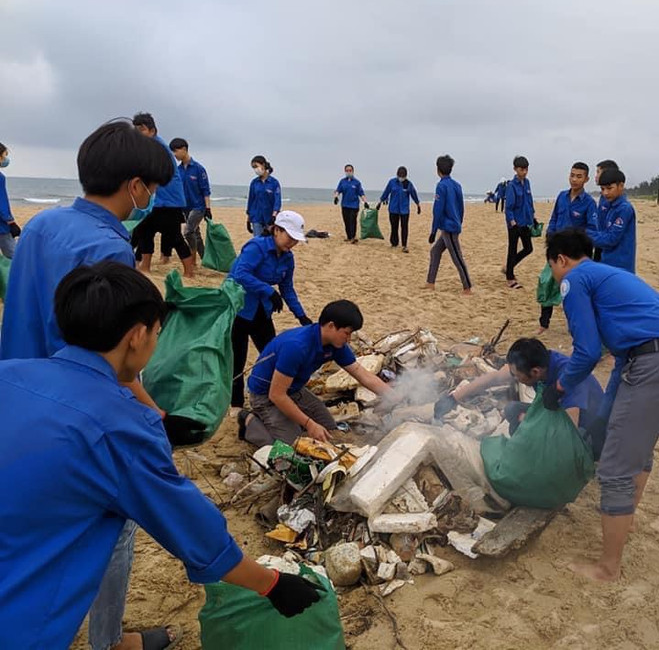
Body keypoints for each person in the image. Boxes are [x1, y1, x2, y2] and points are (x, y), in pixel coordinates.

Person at [0, 263, 324, 649]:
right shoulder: (122, 427)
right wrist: (271, 584)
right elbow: (190, 527)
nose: (156, 343)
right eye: (157, 333)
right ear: (137, 336)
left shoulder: (10, 372)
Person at [0, 119, 184, 650]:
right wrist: (153, 412)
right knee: (113, 525)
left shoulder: (40, 226)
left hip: (17, 394)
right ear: (135, 186)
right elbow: (107, 357)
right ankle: (109, 641)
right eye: (150, 186)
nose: (150, 196)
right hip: (74, 409)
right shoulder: (111, 249)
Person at [545, 228, 659, 582]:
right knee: (637, 444)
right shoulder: (609, 274)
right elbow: (621, 357)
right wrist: (605, 413)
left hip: (656, 367)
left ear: (560, 260)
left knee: (615, 467)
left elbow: (586, 352)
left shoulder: (573, 280)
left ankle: (607, 569)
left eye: (552, 268)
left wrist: (559, 384)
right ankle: (624, 521)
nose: (555, 277)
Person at [240, 300, 393, 447]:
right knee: (291, 447)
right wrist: (309, 424)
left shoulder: (334, 345)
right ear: (331, 326)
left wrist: (396, 396)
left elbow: (362, 374)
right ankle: (249, 421)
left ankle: (287, 421)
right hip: (265, 396)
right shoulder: (296, 347)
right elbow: (276, 395)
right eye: (346, 333)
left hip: (294, 390)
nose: (349, 339)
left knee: (329, 428)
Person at [434, 337, 606, 459]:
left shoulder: (568, 378)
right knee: (513, 410)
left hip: (588, 434)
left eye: (516, 375)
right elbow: (493, 378)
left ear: (535, 372)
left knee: (534, 430)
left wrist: (533, 428)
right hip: (557, 418)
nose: (513, 378)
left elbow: (569, 433)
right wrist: (453, 399)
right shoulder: (542, 361)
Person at [228, 210, 312, 411]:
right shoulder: (256, 247)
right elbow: (240, 273)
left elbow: (287, 288)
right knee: (237, 358)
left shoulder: (288, 258)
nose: (292, 243)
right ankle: (236, 404)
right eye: (289, 237)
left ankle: (271, 393)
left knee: (271, 352)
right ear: (276, 230)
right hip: (238, 307)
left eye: (296, 239)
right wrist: (268, 291)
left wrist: (301, 315)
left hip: (262, 311)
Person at [131, 112, 195, 277]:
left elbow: (153, 173)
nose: (138, 133)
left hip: (169, 202)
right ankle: (145, 267)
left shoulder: (160, 149)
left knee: (174, 237)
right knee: (145, 232)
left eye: (142, 130)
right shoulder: (144, 148)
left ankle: (189, 272)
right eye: (136, 130)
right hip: (153, 200)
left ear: (152, 131)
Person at [538, 161, 597, 332]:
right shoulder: (561, 197)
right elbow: (554, 218)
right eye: (572, 175)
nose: (574, 179)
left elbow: (592, 230)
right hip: (556, 249)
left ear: (586, 179)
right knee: (546, 283)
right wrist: (550, 235)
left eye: (579, 176)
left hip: (574, 255)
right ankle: (543, 323)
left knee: (574, 289)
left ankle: (576, 325)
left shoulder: (589, 203)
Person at [425, 154, 473, 295]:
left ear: (438, 170)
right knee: (435, 251)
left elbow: (437, 210)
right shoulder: (457, 185)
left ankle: (467, 287)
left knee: (457, 257)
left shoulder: (441, 186)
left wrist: (433, 231)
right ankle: (430, 282)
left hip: (449, 227)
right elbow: (461, 207)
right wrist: (459, 221)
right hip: (453, 225)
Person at [587, 168, 636, 273]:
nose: (605, 193)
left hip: (620, 266)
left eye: (609, 188)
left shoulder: (624, 208)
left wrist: (585, 234)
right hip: (606, 261)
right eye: (602, 189)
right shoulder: (610, 205)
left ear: (621, 186)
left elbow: (611, 239)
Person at [170, 137, 212, 260]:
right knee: (196, 234)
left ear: (184, 149)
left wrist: (208, 209)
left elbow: (206, 190)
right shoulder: (177, 170)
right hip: (184, 207)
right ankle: (204, 258)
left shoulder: (199, 169)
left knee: (188, 232)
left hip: (198, 207)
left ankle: (192, 257)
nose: (174, 154)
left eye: (176, 151)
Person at [503, 156, 535, 288]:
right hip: (515, 224)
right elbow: (508, 207)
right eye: (522, 169)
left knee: (528, 248)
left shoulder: (527, 183)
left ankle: (508, 267)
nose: (524, 172)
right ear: (515, 169)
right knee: (512, 249)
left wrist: (533, 217)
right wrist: (512, 222)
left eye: (526, 169)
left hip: (526, 221)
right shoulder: (511, 186)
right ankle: (510, 277)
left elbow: (529, 201)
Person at [378, 166, 420, 252]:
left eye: (403, 176)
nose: (401, 178)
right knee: (394, 226)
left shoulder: (408, 184)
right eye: (400, 175)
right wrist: (380, 202)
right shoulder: (392, 182)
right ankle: (394, 243)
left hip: (404, 210)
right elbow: (386, 192)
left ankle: (404, 245)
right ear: (397, 175)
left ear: (406, 176)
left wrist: (418, 204)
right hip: (393, 209)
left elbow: (413, 194)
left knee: (404, 227)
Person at [247, 155, 282, 238]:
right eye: (253, 167)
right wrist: (248, 218)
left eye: (256, 166)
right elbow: (251, 200)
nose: (255, 169)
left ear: (263, 165)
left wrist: (274, 215)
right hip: (256, 217)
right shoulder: (254, 183)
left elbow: (277, 200)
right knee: (258, 240)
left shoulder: (274, 183)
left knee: (270, 240)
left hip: (270, 217)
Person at [591, 159, 619, 262]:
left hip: (606, 243)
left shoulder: (614, 200)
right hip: (599, 240)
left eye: (598, 172)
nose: (596, 176)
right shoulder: (603, 196)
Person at [333, 164, 368, 243]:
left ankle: (353, 237)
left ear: (353, 171)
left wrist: (365, 202)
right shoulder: (342, 181)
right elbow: (338, 190)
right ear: (345, 171)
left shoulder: (357, 182)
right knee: (346, 221)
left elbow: (361, 193)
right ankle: (348, 236)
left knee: (352, 221)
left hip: (354, 205)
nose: (349, 172)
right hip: (345, 205)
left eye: (350, 170)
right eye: (347, 170)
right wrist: (336, 197)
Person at [0, 141, 21, 259]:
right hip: (1, 227)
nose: (5, 159)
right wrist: (11, 222)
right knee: (15, 257)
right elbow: (1, 203)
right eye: (4, 155)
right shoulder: (0, 178)